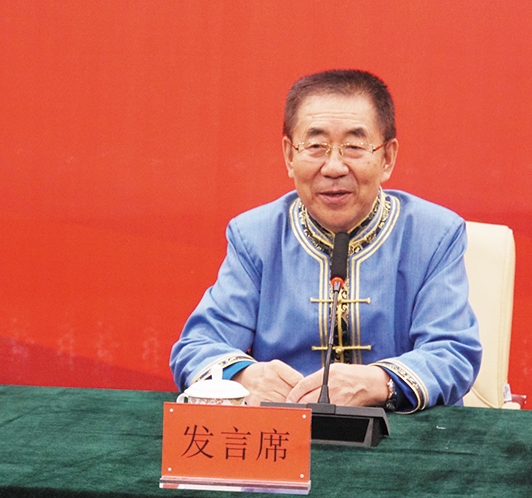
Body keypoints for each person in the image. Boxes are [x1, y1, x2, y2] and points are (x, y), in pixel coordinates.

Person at [170, 69, 481, 413]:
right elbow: (196, 348)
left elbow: (453, 352)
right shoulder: (255, 236)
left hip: (403, 433)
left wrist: (379, 382)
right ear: (289, 156)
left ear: (387, 158)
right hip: (286, 433)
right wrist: (246, 376)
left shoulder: (434, 235)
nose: (334, 167)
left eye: (354, 147)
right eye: (316, 146)